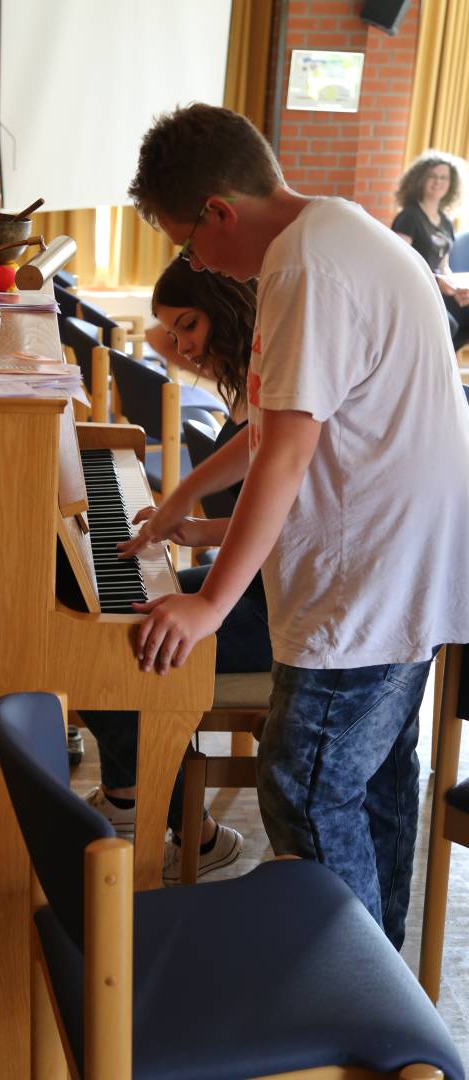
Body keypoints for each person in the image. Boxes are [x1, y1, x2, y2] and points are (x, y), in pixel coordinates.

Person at [123, 103, 469, 947]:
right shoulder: (338, 231)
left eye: (185, 240)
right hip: (406, 571)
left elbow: (283, 454)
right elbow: (276, 425)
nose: (194, 261)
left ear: (218, 212)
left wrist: (207, 609)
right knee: (376, 784)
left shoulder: (303, 269)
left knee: (303, 787)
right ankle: (382, 987)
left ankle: (352, 1001)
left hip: (368, 582)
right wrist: (180, 501)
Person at [81, 259, 272, 883]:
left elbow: (297, 529)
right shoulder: (253, 376)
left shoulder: (282, 381)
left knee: (119, 644)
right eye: (175, 329)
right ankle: (134, 802)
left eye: (190, 325)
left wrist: (195, 521)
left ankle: (185, 827)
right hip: (254, 579)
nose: (182, 345)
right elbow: (263, 520)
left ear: (229, 307)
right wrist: (196, 529)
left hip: (277, 608)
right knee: (109, 616)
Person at [391, 150, 469, 351]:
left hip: (437, 291)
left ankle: (444, 368)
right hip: (414, 291)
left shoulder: (446, 222)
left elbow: (444, 267)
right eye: (432, 177)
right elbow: (400, 263)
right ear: (419, 180)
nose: (438, 182)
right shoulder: (409, 216)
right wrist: (437, 280)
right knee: (449, 325)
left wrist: (457, 288)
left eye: (444, 178)